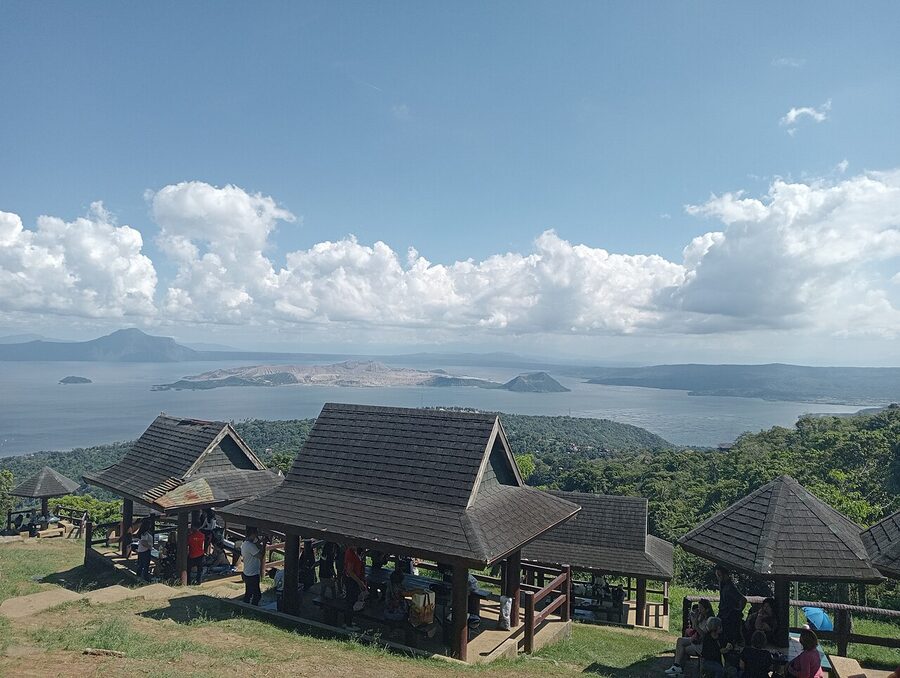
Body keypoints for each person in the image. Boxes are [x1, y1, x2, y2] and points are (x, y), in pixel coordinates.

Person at [666, 598, 714, 675]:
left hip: (703, 646)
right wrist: (694, 618)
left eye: (701, 608)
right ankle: (677, 667)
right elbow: (695, 627)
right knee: (680, 640)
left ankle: (678, 669)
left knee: (683, 649)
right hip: (697, 641)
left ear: (707, 609)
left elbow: (704, 635)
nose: (699, 610)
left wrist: (695, 623)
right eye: (698, 607)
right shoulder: (702, 617)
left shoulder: (709, 620)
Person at [715, 565, 745, 646]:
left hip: (729, 617)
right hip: (723, 615)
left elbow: (742, 599)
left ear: (725, 575)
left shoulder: (730, 587)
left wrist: (738, 611)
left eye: (719, 575)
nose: (718, 577)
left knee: (728, 638)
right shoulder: (723, 585)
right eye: (717, 575)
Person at [342, 545, 368, 632]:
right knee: (350, 601)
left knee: (352, 601)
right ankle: (348, 624)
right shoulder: (350, 553)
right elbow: (349, 571)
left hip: (355, 579)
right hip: (351, 580)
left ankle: (348, 621)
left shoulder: (358, 552)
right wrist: (359, 582)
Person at [240, 527, 263, 605]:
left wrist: (259, 542)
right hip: (252, 574)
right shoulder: (251, 546)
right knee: (257, 595)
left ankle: (245, 606)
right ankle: (253, 608)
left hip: (247, 572)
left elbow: (253, 546)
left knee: (248, 594)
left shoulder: (245, 544)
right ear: (253, 534)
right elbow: (260, 556)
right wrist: (262, 546)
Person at [135, 516, 155, 582]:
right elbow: (144, 542)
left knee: (140, 564)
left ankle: (138, 575)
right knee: (145, 565)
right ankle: (145, 577)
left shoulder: (142, 533)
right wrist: (150, 547)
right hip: (145, 550)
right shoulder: (145, 534)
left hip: (141, 550)